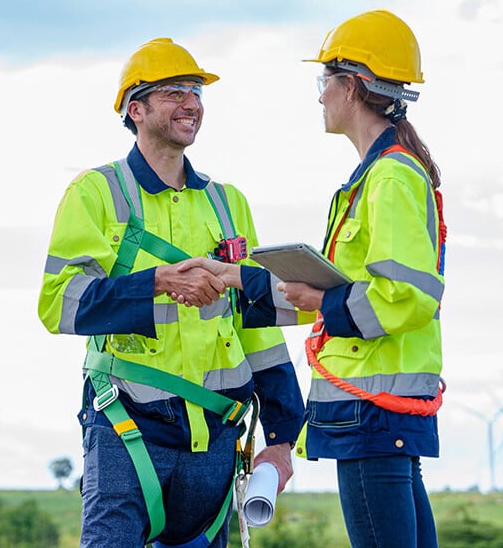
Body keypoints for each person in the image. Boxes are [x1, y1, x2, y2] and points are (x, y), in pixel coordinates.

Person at [175, 10, 445, 548]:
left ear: (354, 86)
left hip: (372, 410)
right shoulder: (377, 175)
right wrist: (236, 278)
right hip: (379, 413)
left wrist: (325, 300)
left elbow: (407, 297)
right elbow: (325, 296)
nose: (320, 96)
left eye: (326, 82)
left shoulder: (388, 177)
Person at [38, 37, 305, 548]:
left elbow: (259, 332)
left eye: (197, 92)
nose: (192, 103)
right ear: (135, 110)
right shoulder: (96, 192)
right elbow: (60, 303)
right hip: (127, 425)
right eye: (174, 92)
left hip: (217, 436)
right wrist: (158, 283)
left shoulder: (229, 203)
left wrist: (282, 439)